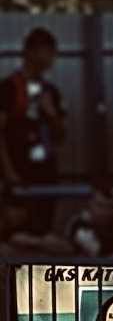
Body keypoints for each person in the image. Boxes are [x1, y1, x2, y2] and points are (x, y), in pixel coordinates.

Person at [0, 27, 65, 236]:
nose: (51, 59)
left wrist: (52, 113)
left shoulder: (51, 91)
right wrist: (9, 172)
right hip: (17, 171)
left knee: (42, 231)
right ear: (30, 52)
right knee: (17, 231)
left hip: (45, 174)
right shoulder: (8, 88)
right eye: (47, 52)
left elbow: (61, 136)